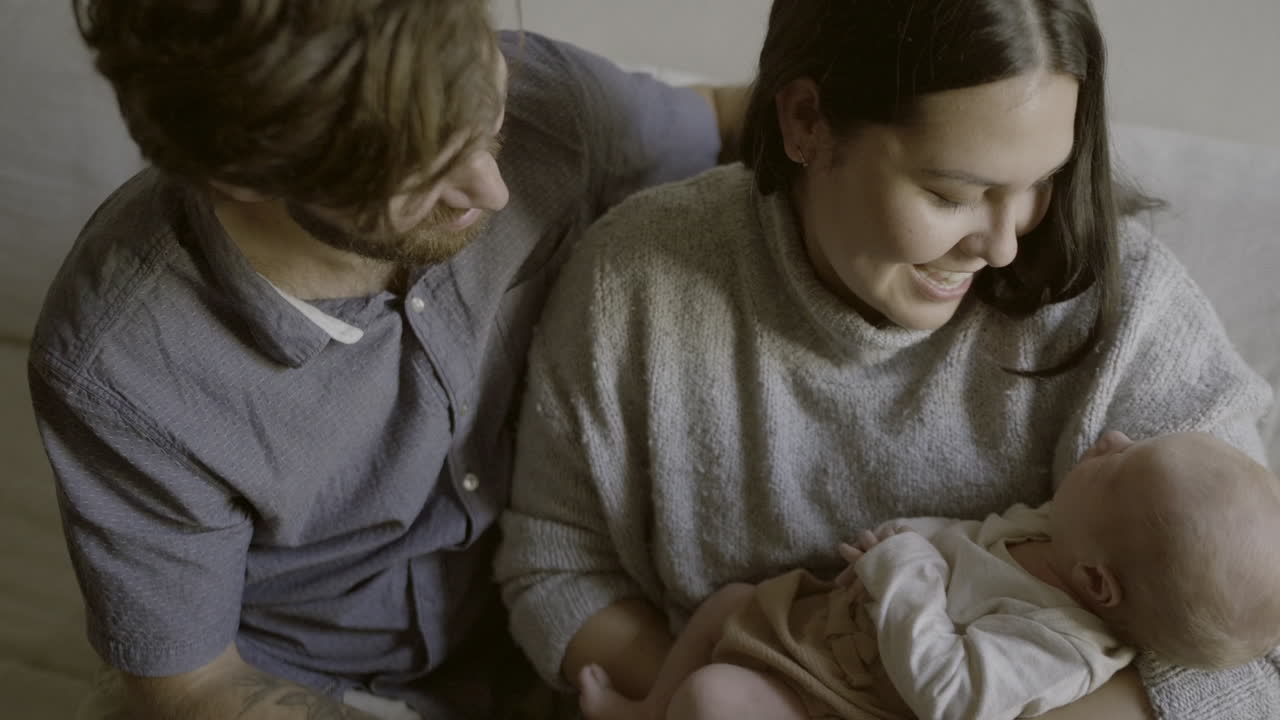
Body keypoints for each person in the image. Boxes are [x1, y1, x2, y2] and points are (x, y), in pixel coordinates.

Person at [494, 0, 1280, 718]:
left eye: (1042, 183)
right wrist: (744, 690)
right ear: (806, 122)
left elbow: (1239, 654)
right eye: (952, 194)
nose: (1004, 245)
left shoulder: (1129, 310)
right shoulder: (635, 280)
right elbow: (558, 568)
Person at [29, 1, 741, 718]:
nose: (493, 191)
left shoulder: (547, 101)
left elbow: (728, 119)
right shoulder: (119, 368)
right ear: (237, 173)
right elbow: (195, 683)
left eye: (487, 121)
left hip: (566, 615)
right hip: (318, 685)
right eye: (421, 174)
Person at [572, 430, 1280, 720]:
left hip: (850, 703)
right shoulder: (1055, 537)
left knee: (714, 696)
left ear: (1099, 585)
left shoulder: (1060, 649)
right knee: (728, 602)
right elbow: (967, 541)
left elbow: (950, 691)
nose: (1112, 439)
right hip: (826, 632)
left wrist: (905, 565)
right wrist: (919, 535)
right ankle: (644, 714)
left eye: (1117, 467)